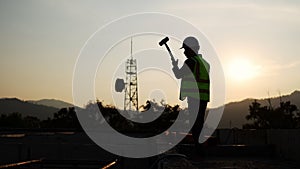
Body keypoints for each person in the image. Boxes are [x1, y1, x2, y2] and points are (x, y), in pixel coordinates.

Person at [172, 36, 210, 153]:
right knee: (200, 122)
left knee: (195, 123)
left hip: (194, 97)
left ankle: (199, 149)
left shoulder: (191, 61)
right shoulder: (205, 63)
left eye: (185, 49)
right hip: (203, 97)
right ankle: (200, 147)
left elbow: (179, 74)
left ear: (191, 49)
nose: (184, 52)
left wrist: (174, 66)